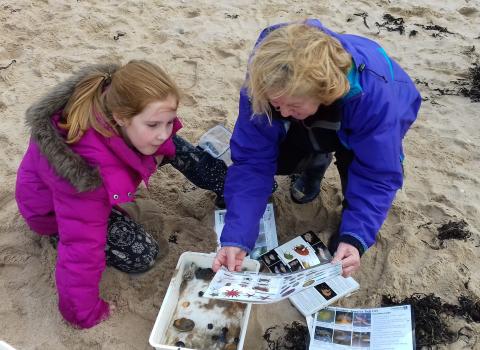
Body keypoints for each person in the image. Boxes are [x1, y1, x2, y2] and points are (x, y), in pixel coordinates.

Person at [15, 60, 226, 329]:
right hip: (53, 215)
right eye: (153, 125)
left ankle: (229, 186)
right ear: (121, 117)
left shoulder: (122, 104)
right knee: (143, 254)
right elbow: (81, 247)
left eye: (169, 121)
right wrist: (83, 313)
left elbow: (163, 136)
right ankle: (54, 238)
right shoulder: (86, 172)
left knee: (175, 146)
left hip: (101, 173)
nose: (164, 132)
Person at [212, 20, 421, 276]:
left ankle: (347, 227)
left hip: (382, 104)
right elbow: (252, 161)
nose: (284, 112)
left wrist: (355, 237)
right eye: (277, 105)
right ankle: (316, 160)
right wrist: (237, 236)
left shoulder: (373, 99)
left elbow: (377, 175)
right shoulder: (265, 81)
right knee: (282, 154)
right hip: (319, 110)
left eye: (292, 106)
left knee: (354, 166)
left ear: (324, 93)